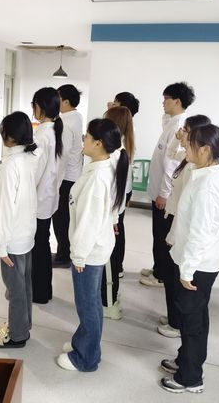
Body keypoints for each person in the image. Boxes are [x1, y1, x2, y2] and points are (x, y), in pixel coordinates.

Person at [158, 125, 219, 394]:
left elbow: (200, 232)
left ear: (205, 150)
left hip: (197, 264)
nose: (185, 148)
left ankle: (190, 378)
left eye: (189, 145)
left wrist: (187, 270)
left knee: (192, 321)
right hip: (193, 258)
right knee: (194, 317)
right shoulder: (206, 172)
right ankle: (186, 359)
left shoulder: (207, 185)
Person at [56, 118, 129, 372]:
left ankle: (86, 357)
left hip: (89, 250)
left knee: (87, 304)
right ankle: (84, 342)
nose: (83, 140)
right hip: (95, 246)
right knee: (91, 301)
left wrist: (78, 255)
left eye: (86, 136)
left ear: (98, 143)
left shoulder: (98, 177)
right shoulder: (104, 165)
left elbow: (88, 222)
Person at [157, 114, 212, 339]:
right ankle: (173, 317)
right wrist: (178, 138)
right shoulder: (188, 159)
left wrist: (172, 235)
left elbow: (186, 209)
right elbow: (171, 153)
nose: (182, 134)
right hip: (173, 217)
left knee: (175, 277)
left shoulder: (195, 167)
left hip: (178, 223)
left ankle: (176, 322)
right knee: (170, 275)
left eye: (186, 131)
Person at [0, 112, 39, 349]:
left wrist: (1, 245)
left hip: (13, 239)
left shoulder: (10, 166)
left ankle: (17, 335)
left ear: (8, 136)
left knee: (15, 289)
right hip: (27, 233)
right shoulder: (29, 158)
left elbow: (5, 208)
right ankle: (22, 324)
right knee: (24, 285)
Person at [141, 82, 196, 288]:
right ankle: (158, 267)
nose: (163, 103)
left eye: (166, 99)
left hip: (164, 193)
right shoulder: (173, 122)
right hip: (159, 189)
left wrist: (164, 193)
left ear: (177, 101)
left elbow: (171, 164)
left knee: (162, 234)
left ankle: (161, 275)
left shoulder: (178, 125)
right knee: (157, 233)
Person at [100, 105, 135, 320]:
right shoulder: (123, 149)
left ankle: (109, 302)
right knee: (112, 256)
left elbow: (111, 192)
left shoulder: (114, 155)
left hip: (110, 215)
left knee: (108, 260)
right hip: (115, 214)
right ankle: (110, 297)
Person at [31, 87, 63, 304]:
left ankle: (40, 292)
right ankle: (44, 290)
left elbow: (35, 172)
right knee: (43, 244)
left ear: (40, 107)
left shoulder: (43, 135)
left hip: (39, 199)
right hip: (48, 197)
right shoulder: (53, 131)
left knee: (38, 247)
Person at [52, 84, 84, 269]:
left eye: (58, 98)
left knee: (60, 218)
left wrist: (54, 181)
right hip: (74, 175)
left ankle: (63, 256)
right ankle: (64, 252)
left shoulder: (64, 122)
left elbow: (62, 155)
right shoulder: (77, 117)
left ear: (65, 101)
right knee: (66, 217)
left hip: (65, 177)